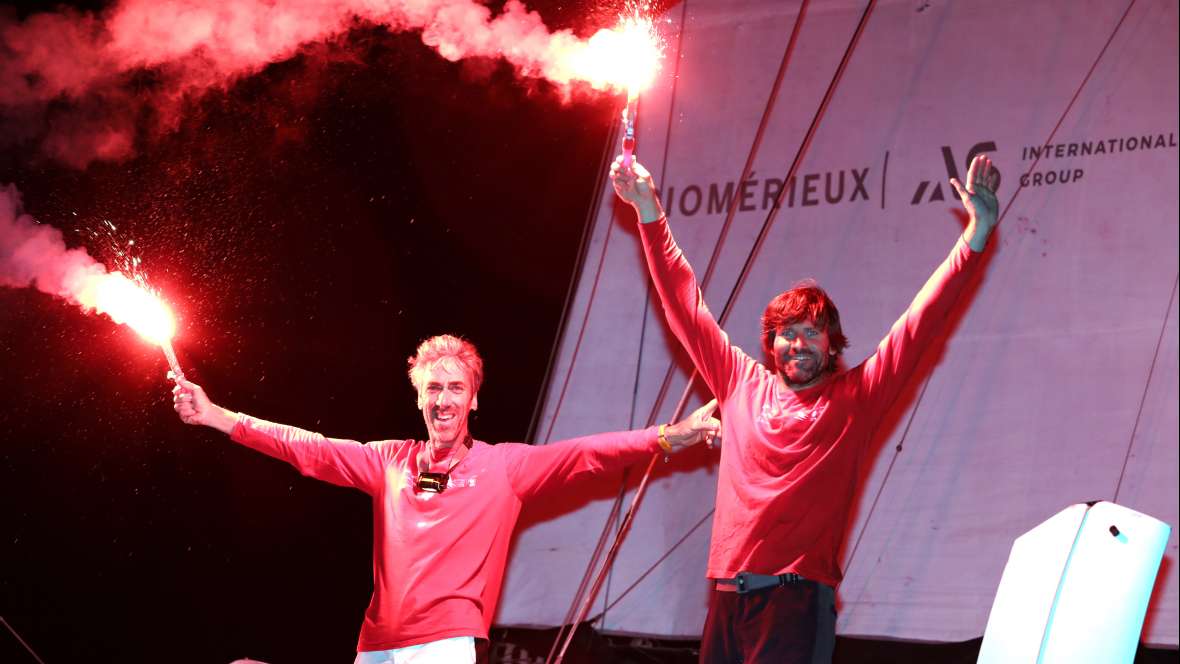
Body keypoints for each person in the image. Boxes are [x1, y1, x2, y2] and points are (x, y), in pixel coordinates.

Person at [610, 153, 1000, 663]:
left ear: (831, 343)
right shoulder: (739, 383)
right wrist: (649, 212)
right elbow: (685, 306)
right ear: (770, 346)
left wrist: (976, 234)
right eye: (786, 335)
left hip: (795, 602)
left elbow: (920, 322)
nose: (798, 344)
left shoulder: (856, 398)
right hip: (726, 601)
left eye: (810, 333)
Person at [172, 333, 721, 664]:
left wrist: (672, 435)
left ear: (474, 399)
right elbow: (308, 448)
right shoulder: (388, 461)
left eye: (456, 388)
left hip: (443, 647)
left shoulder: (504, 466)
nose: (443, 400)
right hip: (375, 644)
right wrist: (219, 417)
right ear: (418, 397)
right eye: (433, 388)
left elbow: (589, 453)